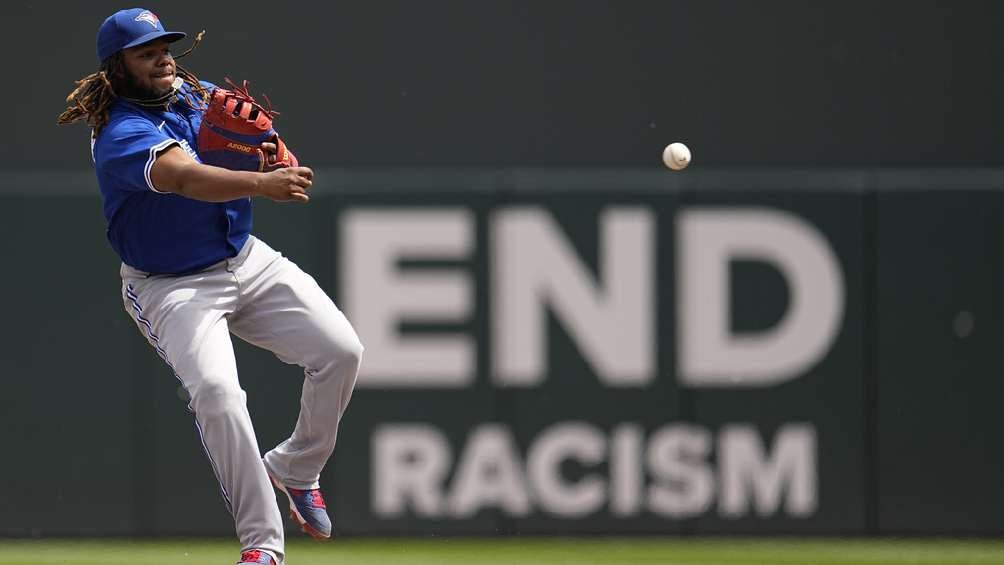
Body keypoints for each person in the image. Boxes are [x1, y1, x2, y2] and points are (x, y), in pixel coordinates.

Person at [57, 9, 363, 565]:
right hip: (171, 286)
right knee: (218, 394)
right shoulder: (121, 132)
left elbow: (271, 150)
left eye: (164, 47)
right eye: (145, 53)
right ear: (117, 67)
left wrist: (276, 155)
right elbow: (183, 177)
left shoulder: (198, 97)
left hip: (244, 259)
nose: (163, 58)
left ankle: (297, 466)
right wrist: (260, 182)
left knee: (342, 351)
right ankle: (264, 547)